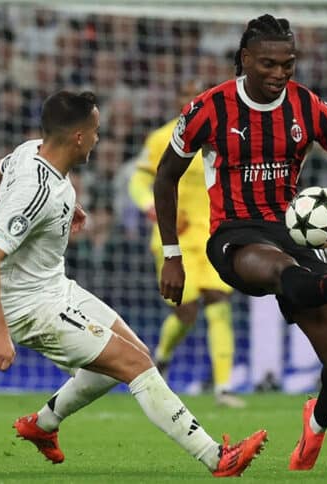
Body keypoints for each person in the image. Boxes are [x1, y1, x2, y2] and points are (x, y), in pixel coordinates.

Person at [153, 15, 327, 471]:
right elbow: (166, 177)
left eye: (288, 64)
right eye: (268, 64)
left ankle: (314, 430)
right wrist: (172, 255)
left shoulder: (309, 107)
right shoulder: (208, 109)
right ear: (245, 60)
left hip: (293, 233)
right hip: (234, 235)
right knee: (280, 272)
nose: (279, 73)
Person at [0, 90, 266, 477]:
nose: (99, 138)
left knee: (135, 351)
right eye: (95, 131)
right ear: (78, 137)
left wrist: (61, 212)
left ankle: (42, 425)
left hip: (54, 285)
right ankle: (216, 457)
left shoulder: (31, 152)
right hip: (29, 306)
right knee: (136, 364)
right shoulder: (36, 192)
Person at [128, 78, 243, 408]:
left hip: (214, 234)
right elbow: (139, 179)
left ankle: (223, 388)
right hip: (173, 237)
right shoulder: (163, 137)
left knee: (218, 303)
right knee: (187, 310)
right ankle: (162, 358)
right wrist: (149, 207)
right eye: (186, 97)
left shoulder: (227, 137)